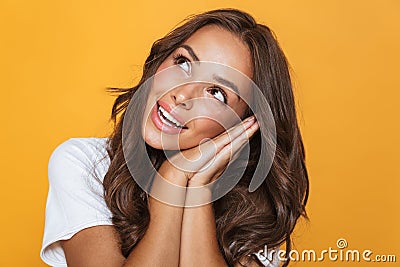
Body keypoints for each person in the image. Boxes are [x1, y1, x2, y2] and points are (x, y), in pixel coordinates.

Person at [40, 8, 309, 267]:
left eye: (216, 92)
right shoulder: (85, 163)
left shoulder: (253, 211)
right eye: (183, 63)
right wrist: (172, 181)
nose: (181, 94)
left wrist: (195, 191)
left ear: (242, 127)